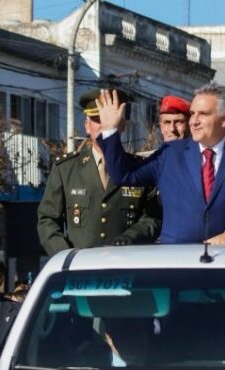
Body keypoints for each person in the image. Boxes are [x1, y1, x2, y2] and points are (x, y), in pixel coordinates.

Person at [96, 84, 225, 245]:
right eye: (193, 113)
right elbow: (124, 175)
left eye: (203, 114)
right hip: (177, 263)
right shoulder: (171, 154)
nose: (194, 121)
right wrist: (110, 131)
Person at [37, 89, 160, 255]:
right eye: (97, 119)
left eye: (110, 119)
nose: (104, 125)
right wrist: (66, 257)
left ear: (122, 124)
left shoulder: (139, 169)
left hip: (127, 266)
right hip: (80, 270)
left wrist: (128, 239)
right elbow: (48, 221)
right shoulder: (65, 169)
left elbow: (152, 218)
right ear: (87, 126)